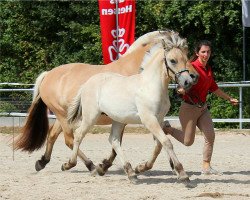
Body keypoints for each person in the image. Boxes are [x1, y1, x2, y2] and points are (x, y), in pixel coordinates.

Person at [163, 40, 238, 175]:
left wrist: (229, 98)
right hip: (189, 109)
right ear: (197, 53)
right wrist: (181, 90)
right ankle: (167, 129)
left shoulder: (208, 69)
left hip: (202, 109)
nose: (206, 54)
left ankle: (206, 166)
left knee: (210, 135)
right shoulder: (191, 67)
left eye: (208, 52)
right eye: (203, 51)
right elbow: (181, 83)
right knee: (188, 142)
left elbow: (214, 88)